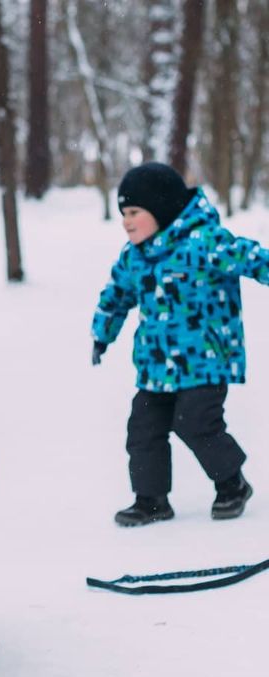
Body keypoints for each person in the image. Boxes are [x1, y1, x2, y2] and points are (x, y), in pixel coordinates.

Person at [92, 162, 269, 526]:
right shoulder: (134, 257)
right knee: (143, 428)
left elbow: (251, 257)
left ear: (161, 209)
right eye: (124, 212)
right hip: (155, 365)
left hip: (205, 360)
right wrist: (102, 333)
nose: (126, 221)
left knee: (196, 422)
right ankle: (151, 499)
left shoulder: (205, 242)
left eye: (135, 212)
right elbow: (116, 296)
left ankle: (232, 484)